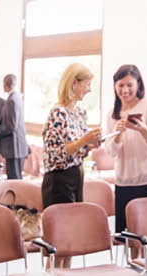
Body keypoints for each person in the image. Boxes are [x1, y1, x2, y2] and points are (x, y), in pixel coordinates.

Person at [41, 63, 101, 267]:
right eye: (87, 84)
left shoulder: (80, 113)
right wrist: (84, 141)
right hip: (58, 180)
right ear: (74, 83)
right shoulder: (57, 113)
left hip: (76, 176)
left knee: (70, 240)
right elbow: (54, 154)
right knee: (57, 243)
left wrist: (90, 144)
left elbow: (78, 150)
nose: (89, 89)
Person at [102, 64, 147, 237]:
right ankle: (132, 263)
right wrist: (118, 134)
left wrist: (143, 130)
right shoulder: (112, 114)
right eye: (120, 85)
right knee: (128, 235)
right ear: (115, 87)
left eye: (129, 85)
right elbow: (110, 152)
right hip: (125, 181)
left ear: (138, 85)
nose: (125, 90)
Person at [0, 73, 28, 180]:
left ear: (6, 84)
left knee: (14, 181)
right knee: (14, 180)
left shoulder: (12, 100)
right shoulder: (15, 98)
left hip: (14, 149)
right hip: (15, 148)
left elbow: (11, 126)